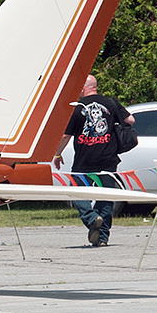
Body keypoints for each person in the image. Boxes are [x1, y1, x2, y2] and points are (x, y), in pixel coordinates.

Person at [53, 75, 134, 247]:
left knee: (76, 191)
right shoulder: (111, 103)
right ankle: (102, 238)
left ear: (83, 87)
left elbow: (66, 135)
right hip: (108, 158)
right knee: (106, 196)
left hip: (85, 159)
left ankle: (91, 219)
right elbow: (130, 120)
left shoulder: (77, 108)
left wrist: (57, 154)